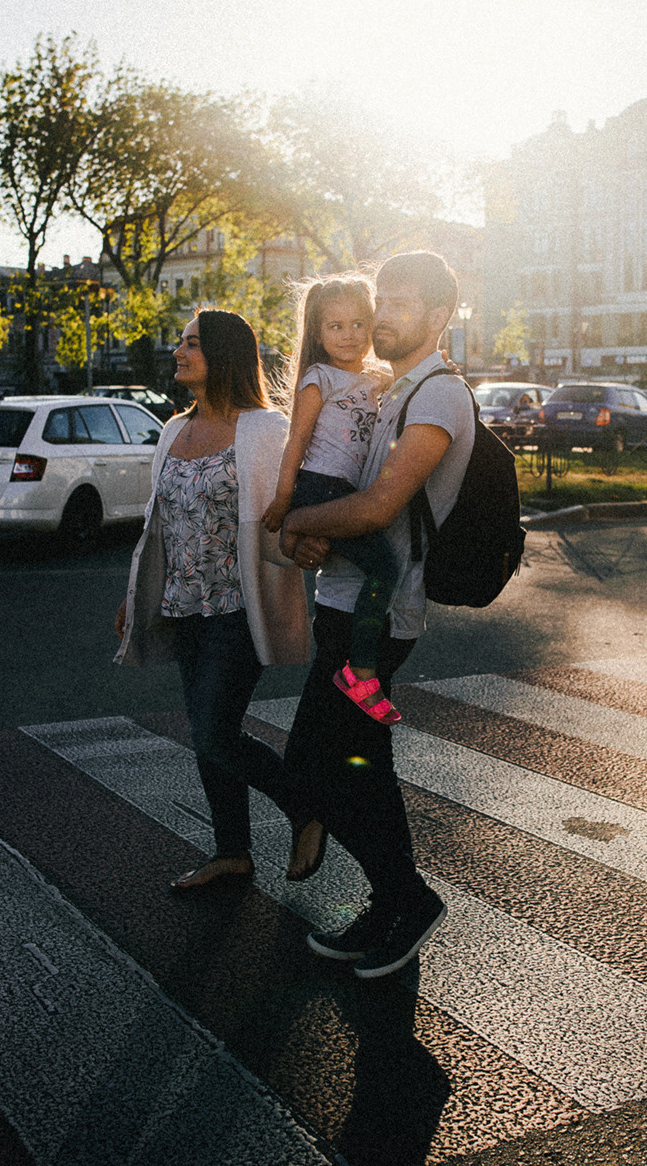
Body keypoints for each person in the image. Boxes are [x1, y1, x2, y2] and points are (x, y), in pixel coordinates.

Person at [278, 250, 478, 980]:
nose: (381, 315)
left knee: (316, 767)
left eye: (399, 303)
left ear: (438, 315)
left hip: (380, 616)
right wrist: (316, 535)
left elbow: (378, 506)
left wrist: (297, 522)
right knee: (358, 766)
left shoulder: (439, 397)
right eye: (380, 300)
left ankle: (408, 898)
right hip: (345, 598)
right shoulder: (397, 388)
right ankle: (392, 900)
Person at [113, 310, 319, 890]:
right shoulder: (173, 429)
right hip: (183, 607)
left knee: (213, 732)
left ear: (224, 355)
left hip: (238, 607)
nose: (179, 352)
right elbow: (157, 524)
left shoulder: (264, 429)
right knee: (208, 734)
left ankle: (307, 808)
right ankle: (232, 852)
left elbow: (291, 506)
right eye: (180, 342)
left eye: (193, 344)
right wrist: (134, 596)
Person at [263, 274, 402, 724]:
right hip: (319, 485)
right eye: (336, 326)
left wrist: (442, 365)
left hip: (344, 491)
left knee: (371, 564)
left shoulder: (375, 378)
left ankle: (360, 665)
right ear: (318, 334)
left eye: (359, 324)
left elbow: (413, 378)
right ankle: (360, 669)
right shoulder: (319, 378)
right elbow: (297, 441)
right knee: (384, 568)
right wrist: (284, 500)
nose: (349, 335)